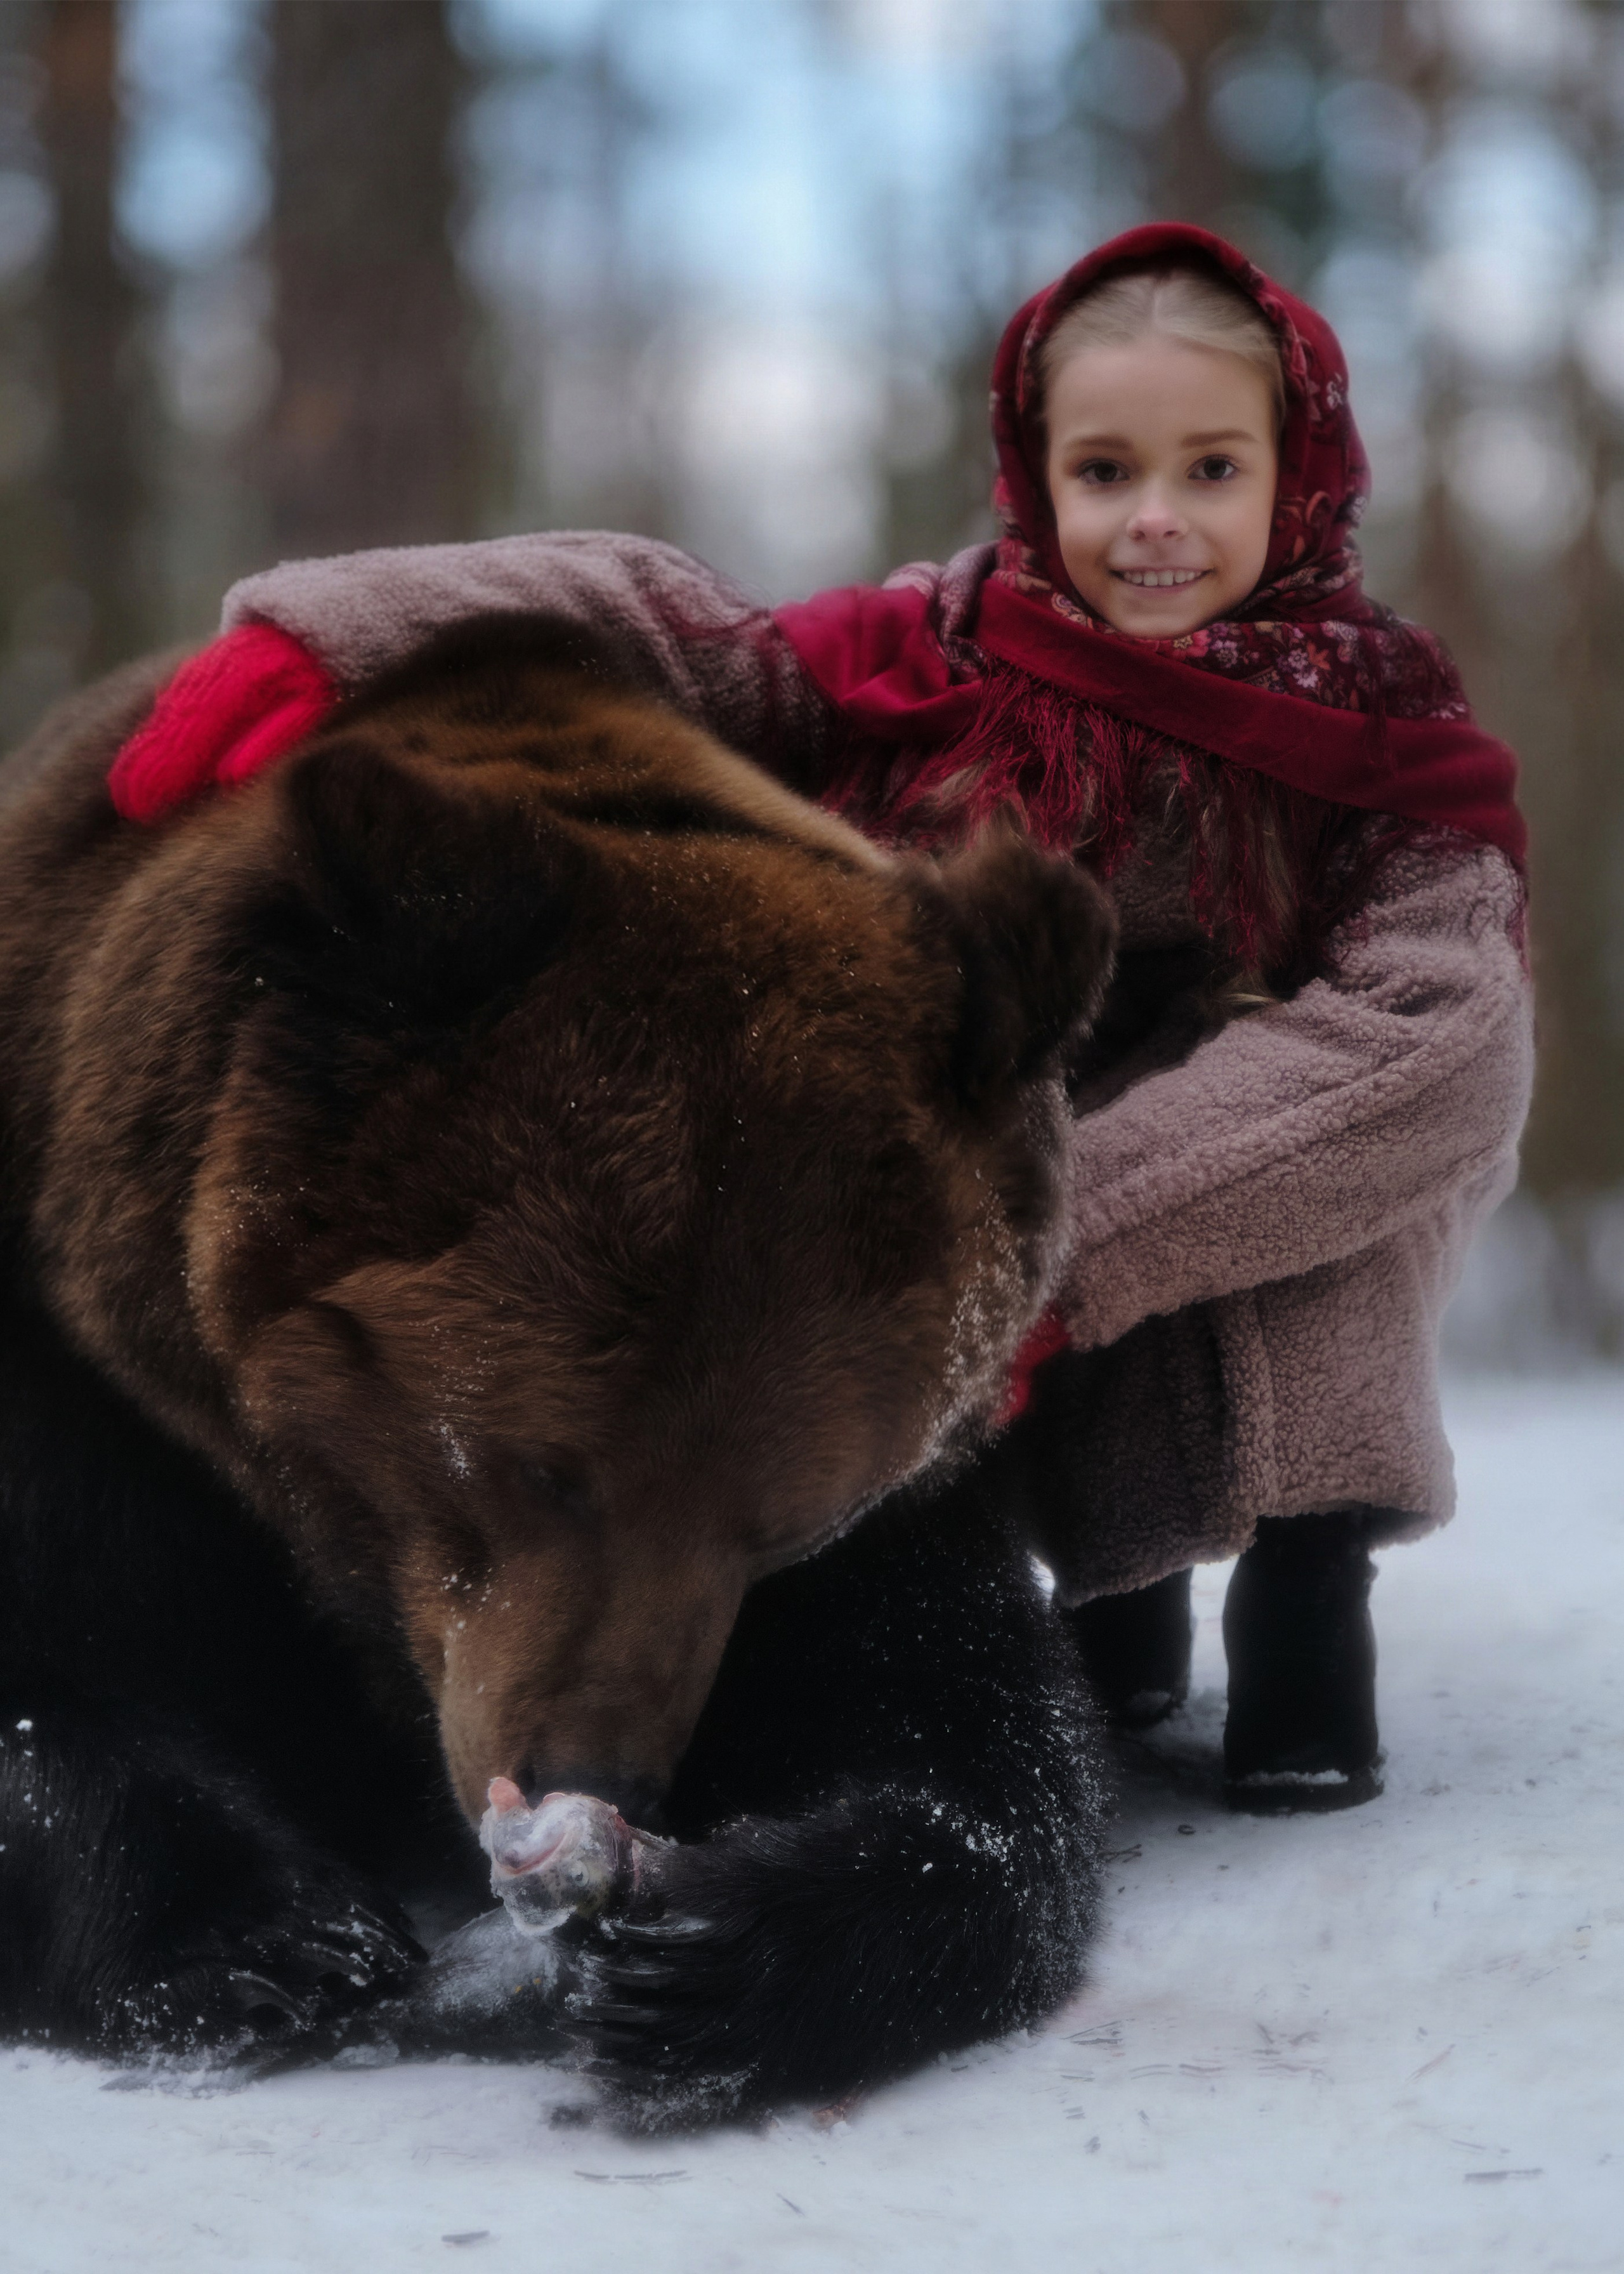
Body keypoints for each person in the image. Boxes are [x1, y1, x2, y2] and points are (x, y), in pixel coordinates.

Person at [109, 223, 1533, 1811]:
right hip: (986, 1119)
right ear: (1029, 471)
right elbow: (662, 618)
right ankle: (1111, 1614)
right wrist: (349, 629)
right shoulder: (934, 650)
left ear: (1303, 474)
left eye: (1209, 469)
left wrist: (1055, 1246)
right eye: (1103, 468)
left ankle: (1301, 1628)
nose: (1151, 521)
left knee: (1299, 1336)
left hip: (1278, 1143)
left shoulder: (1388, 742)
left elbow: (1434, 1033)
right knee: (908, 1399)